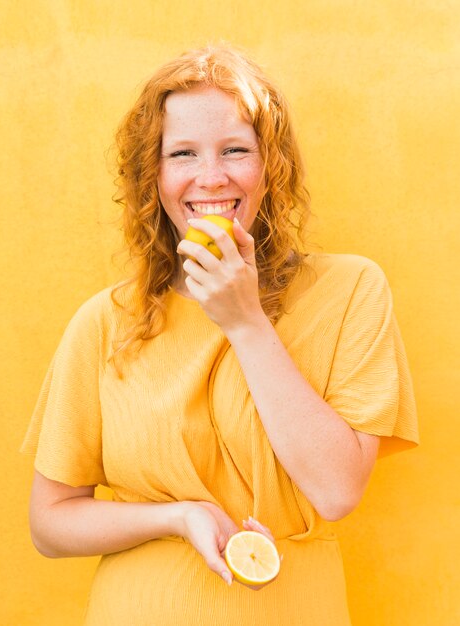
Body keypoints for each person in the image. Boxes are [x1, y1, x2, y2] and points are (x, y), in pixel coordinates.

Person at [21, 44, 419, 625]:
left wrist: (245, 319)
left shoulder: (351, 290)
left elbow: (337, 491)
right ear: (153, 176)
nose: (211, 177)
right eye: (182, 153)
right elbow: (50, 523)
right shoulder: (106, 321)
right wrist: (177, 516)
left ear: (271, 166)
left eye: (236, 149)